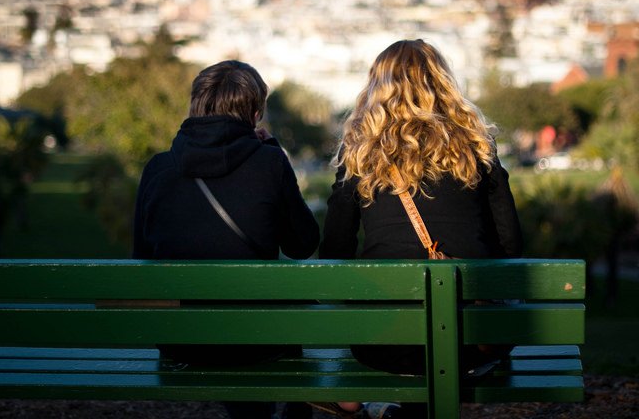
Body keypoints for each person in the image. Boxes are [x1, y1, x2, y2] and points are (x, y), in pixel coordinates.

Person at [319, 40, 523, 418]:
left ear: (376, 89)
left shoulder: (358, 152)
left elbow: (334, 250)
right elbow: (510, 244)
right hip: (472, 339)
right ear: (442, 82)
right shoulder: (478, 145)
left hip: (383, 341)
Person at [133, 59, 321, 419]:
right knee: (279, 315)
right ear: (254, 113)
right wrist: (275, 153)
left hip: (182, 341)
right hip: (257, 342)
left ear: (196, 106)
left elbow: (142, 257)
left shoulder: (158, 169)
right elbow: (302, 245)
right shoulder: (269, 163)